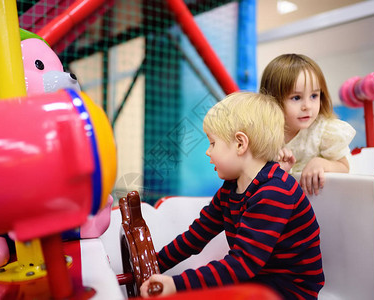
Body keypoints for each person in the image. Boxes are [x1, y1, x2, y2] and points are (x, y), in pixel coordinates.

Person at [140, 92, 324, 299]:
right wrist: (156, 263)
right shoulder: (231, 188)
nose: (208, 152)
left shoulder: (274, 192)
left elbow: (242, 264)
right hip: (257, 280)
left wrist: (177, 285)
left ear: (240, 144)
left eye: (212, 143)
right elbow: (197, 234)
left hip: (289, 291)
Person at [260, 53, 356, 196]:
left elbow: (344, 167)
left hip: (317, 205)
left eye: (314, 96)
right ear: (272, 100)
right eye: (296, 97)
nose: (307, 106)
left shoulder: (323, 131)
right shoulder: (263, 135)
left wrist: (322, 163)